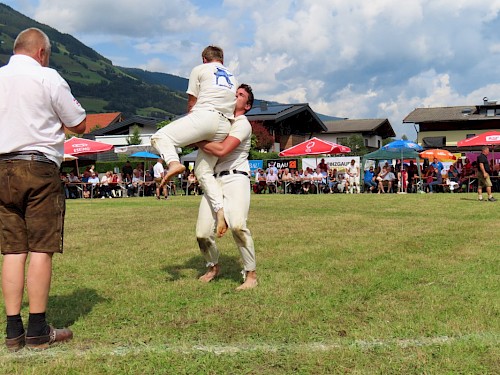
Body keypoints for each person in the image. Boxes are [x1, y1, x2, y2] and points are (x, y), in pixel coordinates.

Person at [0, 28, 86, 351]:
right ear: (41, 53)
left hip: (2, 167)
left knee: (12, 250)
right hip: (38, 166)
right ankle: (37, 329)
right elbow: (79, 123)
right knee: (40, 248)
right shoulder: (47, 77)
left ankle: (12, 331)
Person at [151, 45, 237, 237]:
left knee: (159, 137)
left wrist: (192, 131)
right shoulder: (232, 76)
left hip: (206, 117)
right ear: (221, 60)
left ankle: (174, 164)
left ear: (204, 59)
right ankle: (220, 210)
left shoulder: (199, 69)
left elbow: (192, 103)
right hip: (225, 125)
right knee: (203, 171)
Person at [195, 83, 257, 290]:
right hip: (214, 181)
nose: (235, 96)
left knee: (238, 225)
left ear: (247, 105)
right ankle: (213, 266)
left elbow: (221, 150)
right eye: (235, 93)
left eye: (240, 95)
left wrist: (196, 140)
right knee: (202, 234)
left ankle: (251, 275)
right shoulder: (220, 122)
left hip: (236, 179)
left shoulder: (242, 123)